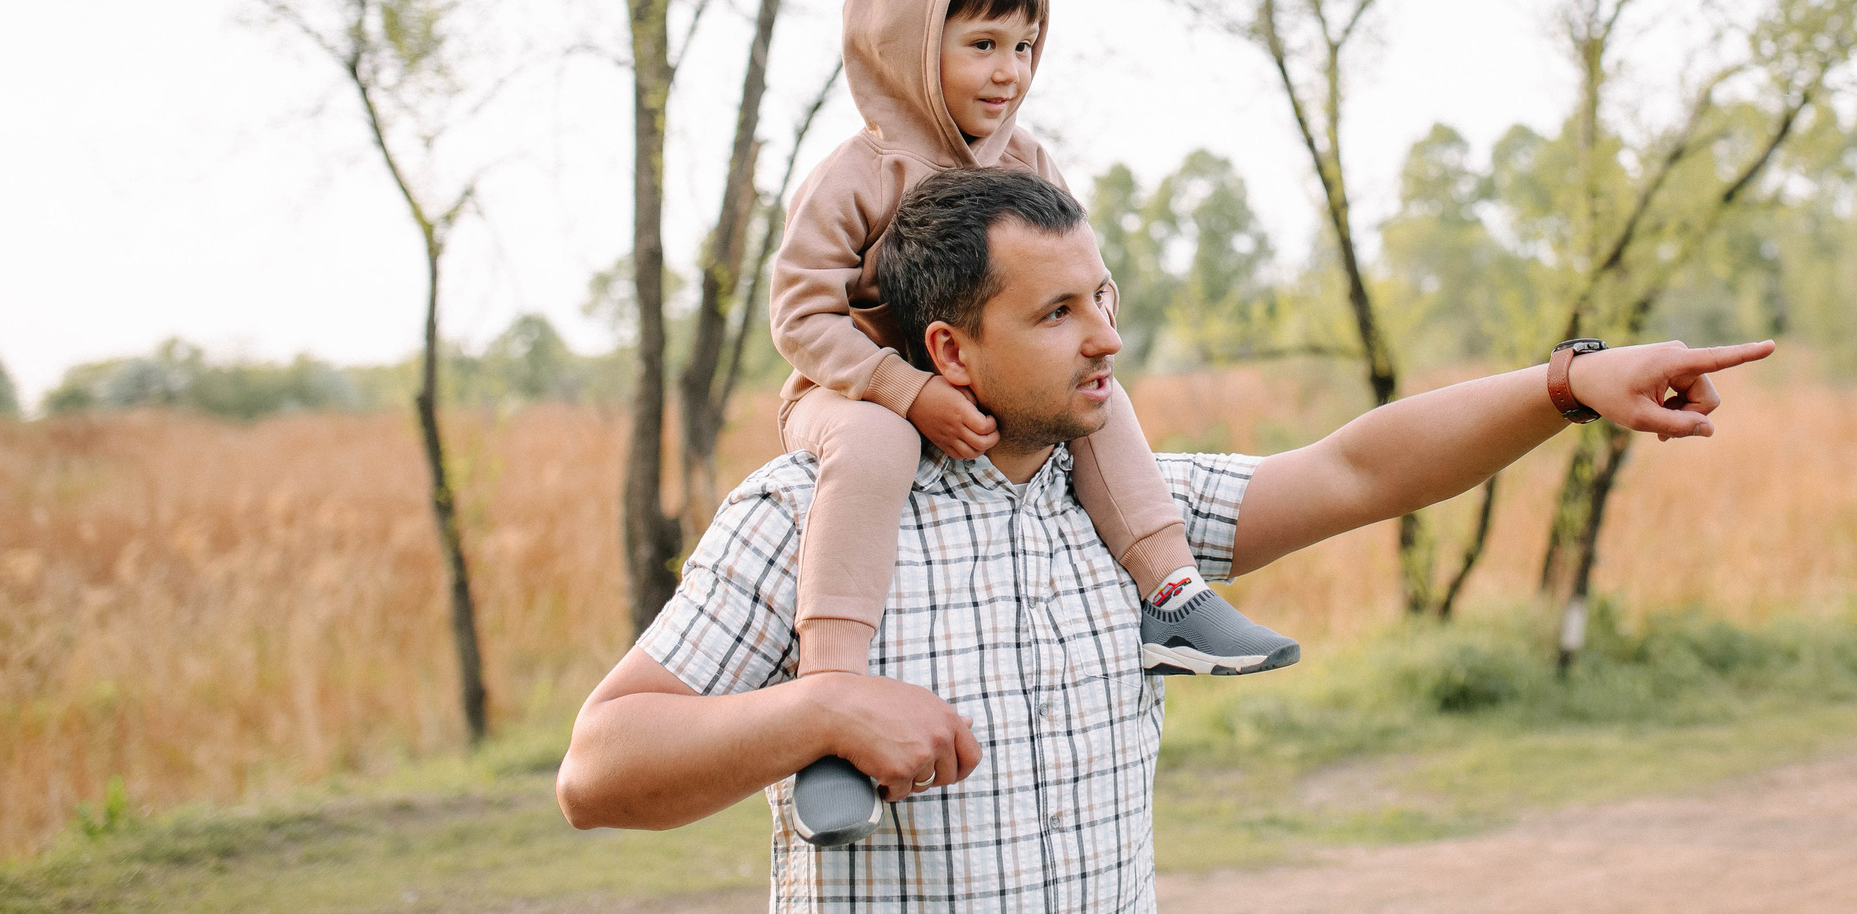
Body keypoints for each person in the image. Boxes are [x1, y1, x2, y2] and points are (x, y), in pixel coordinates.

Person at [557, 165, 1774, 912]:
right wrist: (818, 712)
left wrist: (1567, 384)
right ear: (948, 351)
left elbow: (1355, 468)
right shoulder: (804, 519)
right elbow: (600, 770)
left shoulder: (1131, 514)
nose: (1106, 340)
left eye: (1105, 300)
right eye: (1057, 312)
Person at [768, 0, 1297, 689]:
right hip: (853, 388)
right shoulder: (859, 173)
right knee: (875, 446)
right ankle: (832, 680)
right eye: (982, 45)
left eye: (1024, 45)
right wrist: (907, 391)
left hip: (997, 377)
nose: (1009, 70)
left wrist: (1088, 326)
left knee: (1096, 392)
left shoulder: (1025, 159)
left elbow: (1087, 278)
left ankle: (1173, 593)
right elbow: (801, 315)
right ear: (913, 45)